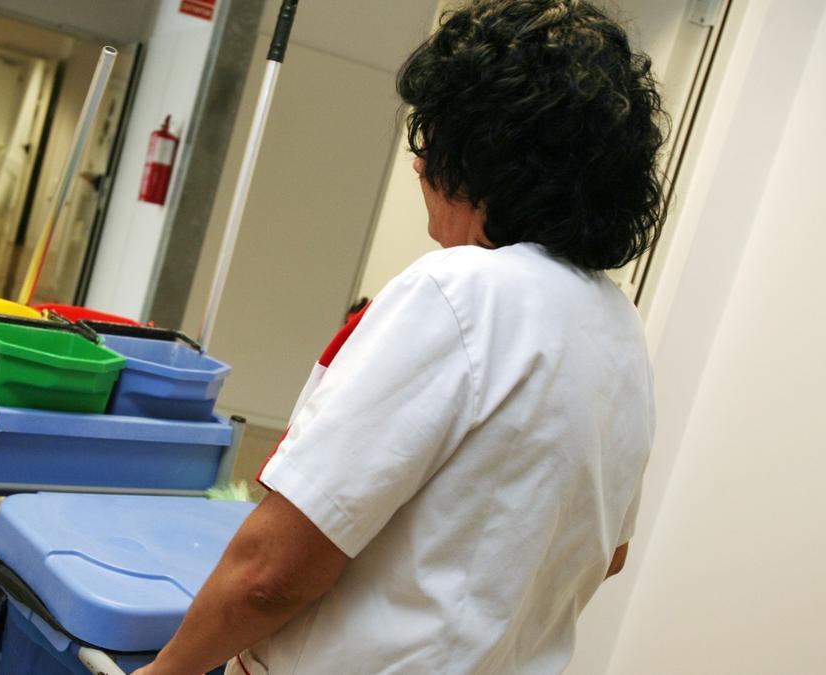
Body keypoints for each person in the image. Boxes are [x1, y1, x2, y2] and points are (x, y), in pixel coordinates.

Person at [135, 0, 665, 672]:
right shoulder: (622, 330)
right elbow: (607, 552)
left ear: (489, 157)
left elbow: (271, 573)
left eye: (435, 138)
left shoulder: (463, 291)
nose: (419, 165)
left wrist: (163, 671)